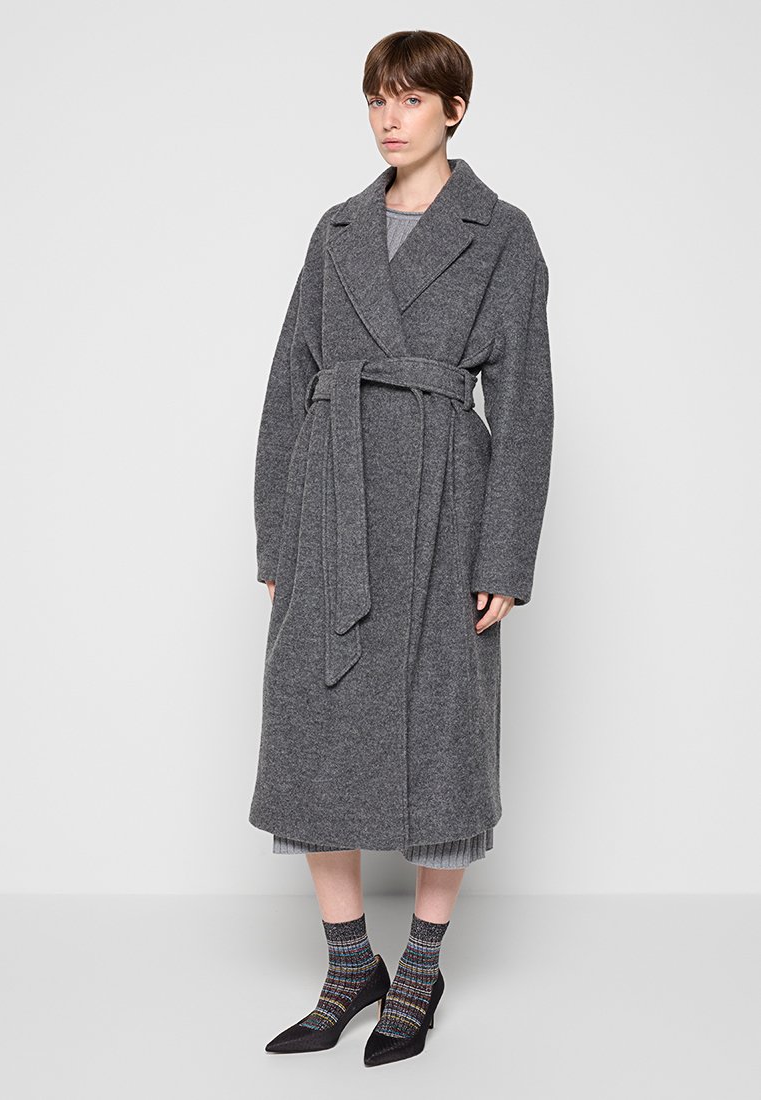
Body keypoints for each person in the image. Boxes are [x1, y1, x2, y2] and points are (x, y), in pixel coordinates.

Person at [249, 29, 554, 1066]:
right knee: (313, 724)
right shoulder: (336, 229)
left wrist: (504, 556)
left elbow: (525, 406)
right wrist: (277, 535)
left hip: (442, 507)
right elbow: (288, 381)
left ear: (454, 110)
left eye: (412, 99)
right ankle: (349, 965)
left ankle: (418, 968)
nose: (390, 117)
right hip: (329, 498)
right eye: (378, 98)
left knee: (443, 728)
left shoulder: (499, 232)